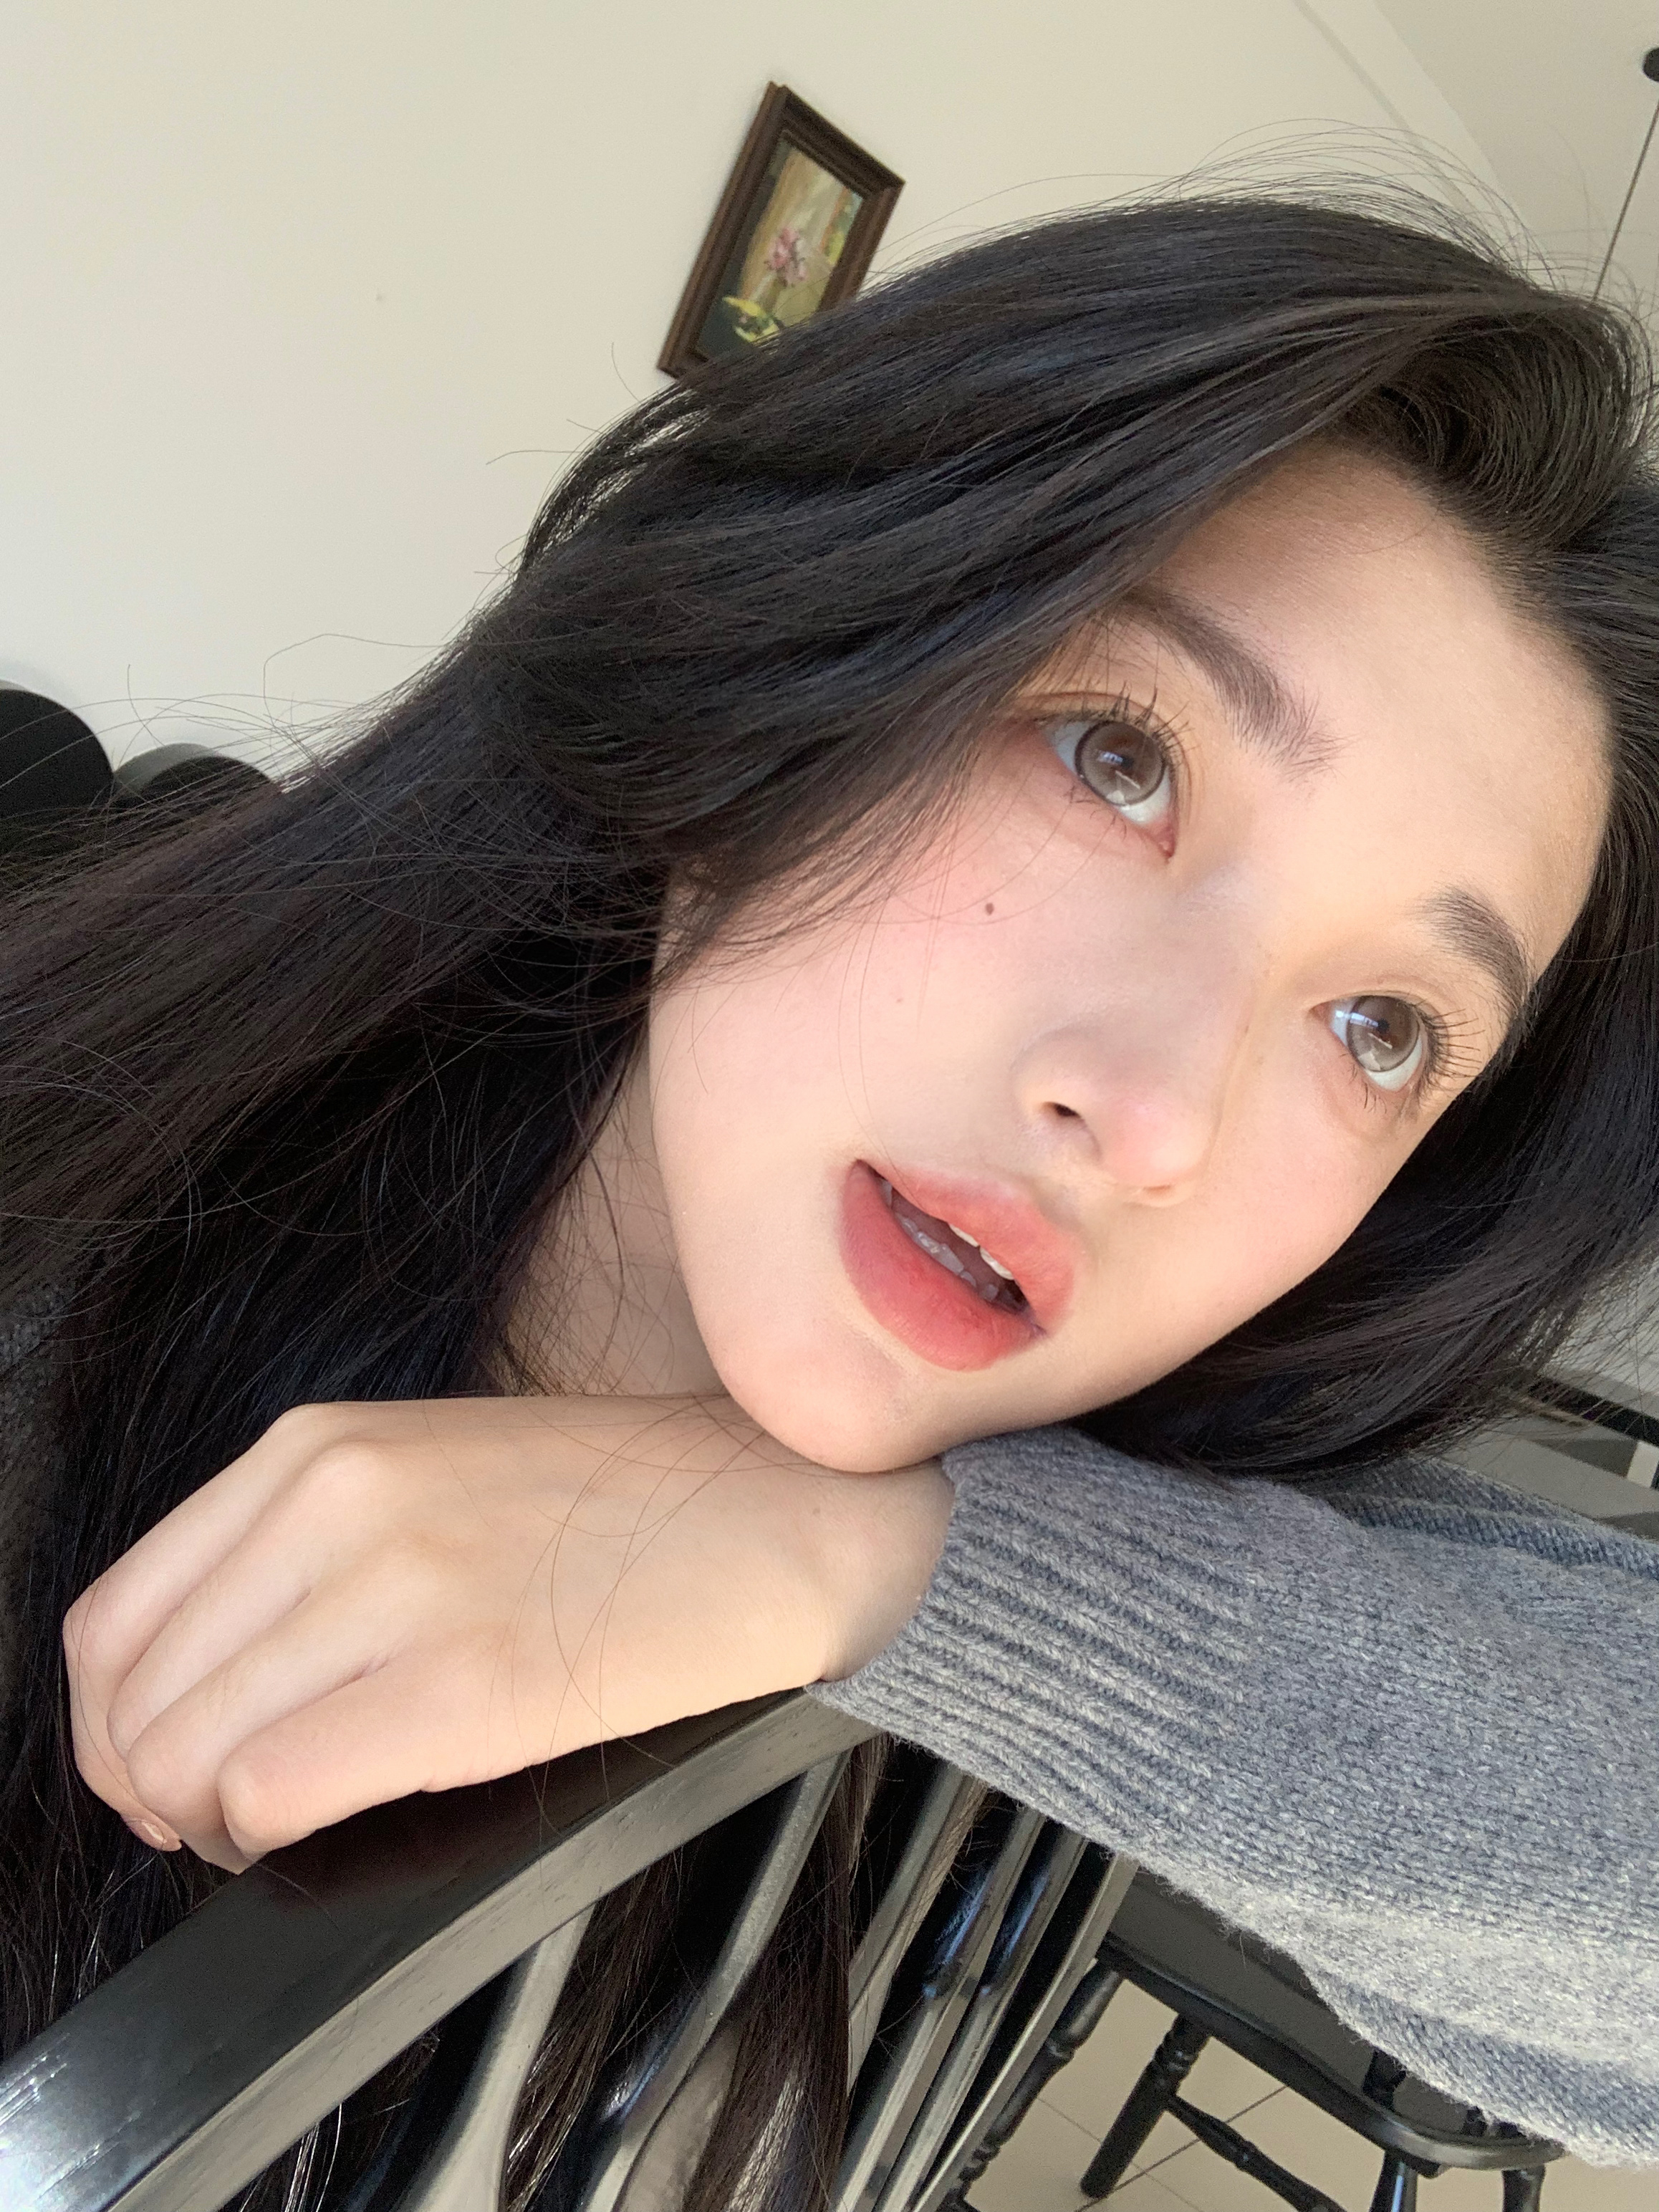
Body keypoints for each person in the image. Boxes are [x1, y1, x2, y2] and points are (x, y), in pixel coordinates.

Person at [4, 186, 1659, 2208]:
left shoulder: (1171, 1505)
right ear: (788, 663)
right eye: (1116, 759)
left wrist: (887, 1569)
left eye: (1381, 1028)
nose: (1156, 1121)